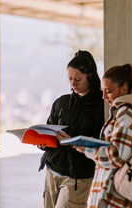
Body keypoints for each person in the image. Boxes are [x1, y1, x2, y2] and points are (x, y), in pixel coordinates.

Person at [74, 64, 132, 208]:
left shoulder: (126, 114)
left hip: (115, 200)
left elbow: (117, 156)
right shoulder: (125, 112)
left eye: (108, 91)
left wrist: (88, 150)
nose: (104, 97)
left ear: (124, 89)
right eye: (102, 91)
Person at [38, 50, 105, 208]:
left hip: (78, 178)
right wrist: (43, 143)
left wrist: (73, 141)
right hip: (52, 172)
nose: (73, 84)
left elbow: (102, 142)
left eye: (78, 79)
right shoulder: (61, 103)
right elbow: (50, 131)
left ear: (90, 77)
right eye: (70, 79)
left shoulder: (101, 107)